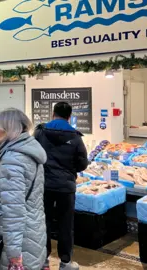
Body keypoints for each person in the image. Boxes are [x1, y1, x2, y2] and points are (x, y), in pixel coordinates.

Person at [0, 108, 47, 270]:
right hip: (34, 231)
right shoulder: (29, 151)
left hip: (19, 240)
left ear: (10, 127)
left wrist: (14, 254)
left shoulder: (13, 160)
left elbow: (13, 212)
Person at [34, 102, 88, 270]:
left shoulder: (40, 132)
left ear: (53, 113)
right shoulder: (76, 137)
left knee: (44, 222)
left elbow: (33, 154)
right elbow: (82, 163)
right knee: (66, 224)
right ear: (69, 116)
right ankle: (65, 262)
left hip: (44, 184)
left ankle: (43, 260)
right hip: (66, 187)